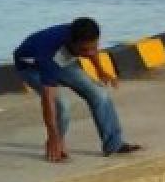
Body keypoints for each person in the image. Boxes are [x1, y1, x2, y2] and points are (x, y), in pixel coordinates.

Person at [13, 17, 141, 163]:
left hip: (64, 63)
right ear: (71, 42)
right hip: (32, 68)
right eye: (83, 50)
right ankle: (56, 144)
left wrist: (100, 70)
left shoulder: (82, 33)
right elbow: (48, 100)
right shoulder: (48, 53)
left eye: (94, 46)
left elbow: (90, 50)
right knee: (62, 104)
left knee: (100, 94)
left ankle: (114, 145)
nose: (89, 53)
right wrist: (53, 135)